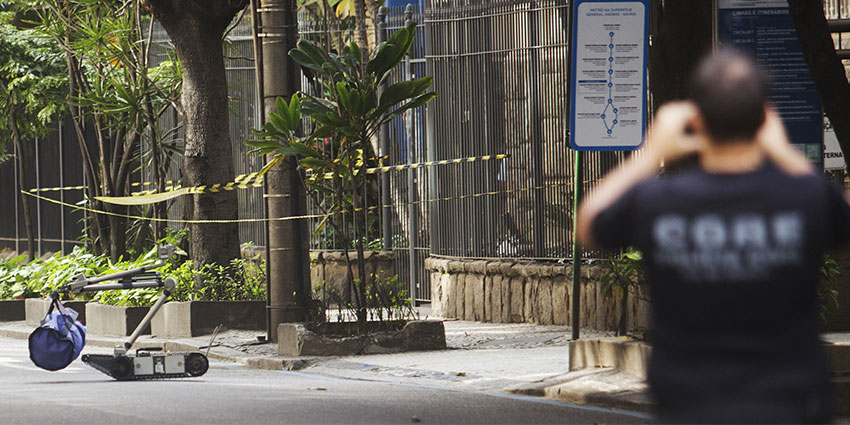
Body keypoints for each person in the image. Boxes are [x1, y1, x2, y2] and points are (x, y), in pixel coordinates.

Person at [577, 48, 850, 423]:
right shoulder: (805, 197)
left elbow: (588, 224)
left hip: (692, 406)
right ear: (763, 121)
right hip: (791, 404)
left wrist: (651, 150)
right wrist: (783, 150)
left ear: (697, 121)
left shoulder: (659, 202)